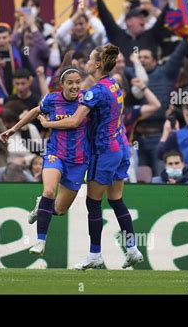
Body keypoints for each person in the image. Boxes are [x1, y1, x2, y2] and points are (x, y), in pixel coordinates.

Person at [39, 44, 143, 270]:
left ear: (97, 64)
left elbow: (75, 121)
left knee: (93, 203)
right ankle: (133, 249)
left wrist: (49, 124)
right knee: (116, 199)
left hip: (104, 151)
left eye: (89, 59)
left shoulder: (95, 92)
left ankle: (95, 254)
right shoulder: (113, 83)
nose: (85, 62)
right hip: (122, 147)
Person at [0, 66, 89, 257]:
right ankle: (41, 242)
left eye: (77, 82)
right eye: (70, 82)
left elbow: (74, 122)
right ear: (62, 84)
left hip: (79, 160)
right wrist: (14, 129)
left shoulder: (87, 100)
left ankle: (42, 205)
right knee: (49, 190)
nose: (74, 86)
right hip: (55, 153)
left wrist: (48, 124)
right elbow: (34, 111)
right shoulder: (52, 99)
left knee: (59, 209)